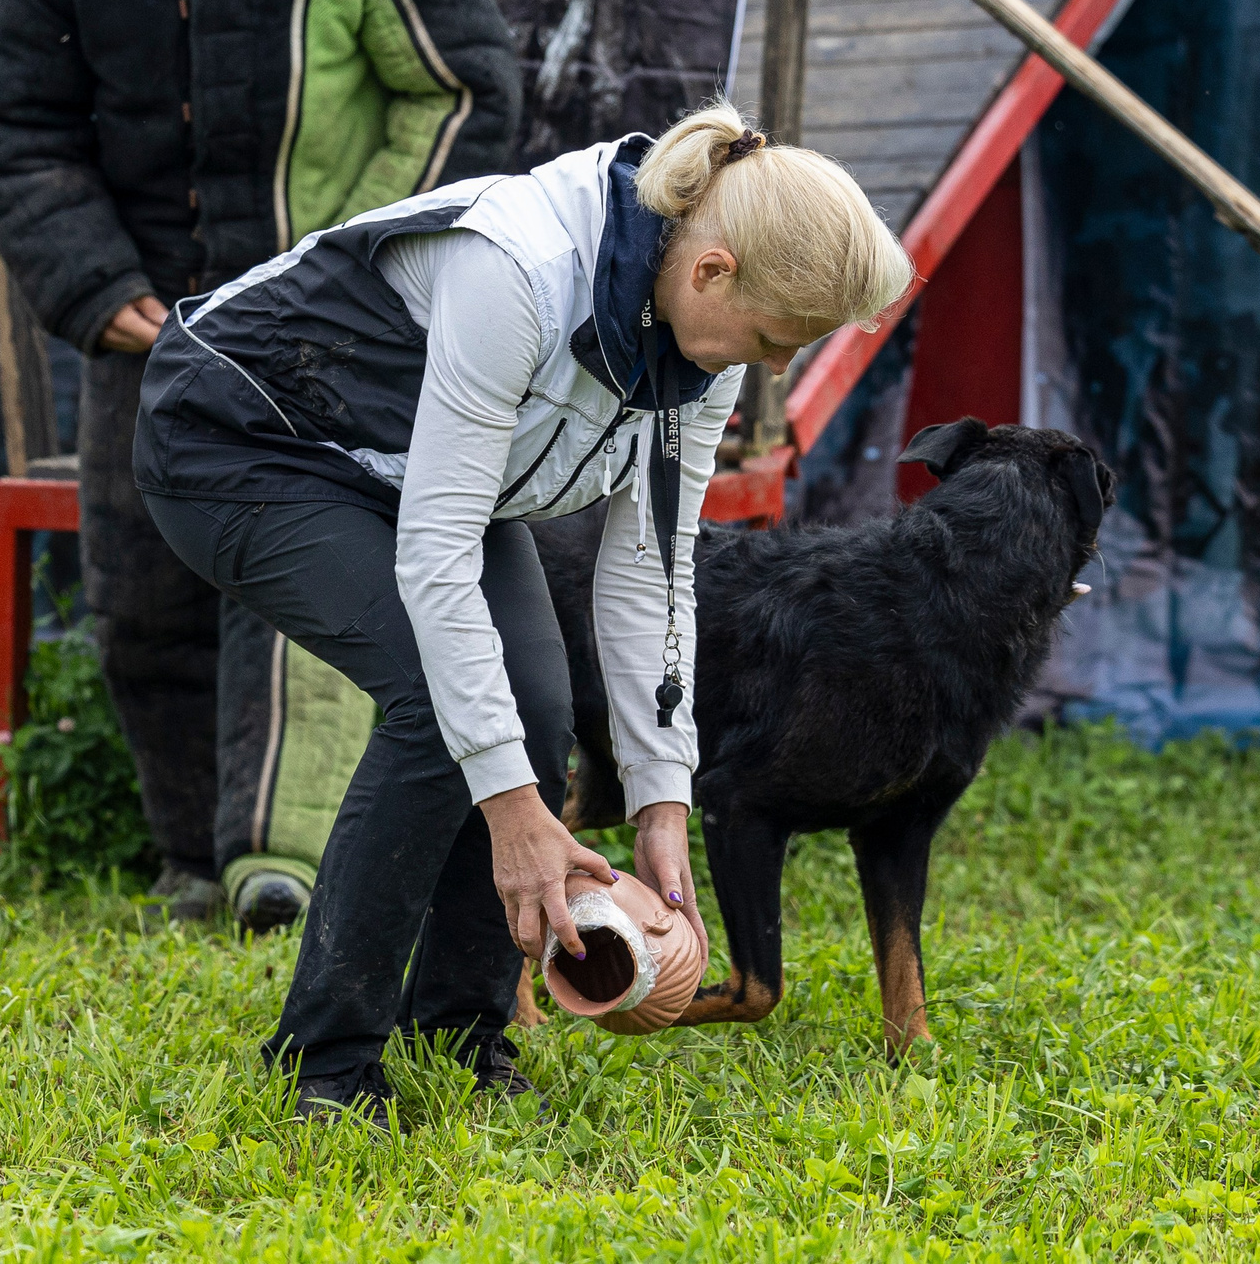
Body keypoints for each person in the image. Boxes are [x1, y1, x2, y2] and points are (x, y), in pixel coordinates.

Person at [134, 101, 915, 1118]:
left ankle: (461, 1036)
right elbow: (437, 554)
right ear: (713, 269)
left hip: (416, 469)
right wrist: (512, 814)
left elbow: (652, 568)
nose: (775, 366)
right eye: (775, 337)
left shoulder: (705, 343)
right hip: (234, 438)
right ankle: (324, 1065)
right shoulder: (519, 270)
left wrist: (660, 798)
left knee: (536, 712)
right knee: (437, 705)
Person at [0, 0, 520, 925]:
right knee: (142, 600)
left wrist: (352, 276)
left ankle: (286, 863)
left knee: (307, 587)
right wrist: (104, 297)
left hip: (328, 339)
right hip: (147, 333)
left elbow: (469, 91)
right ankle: (184, 858)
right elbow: (11, 128)